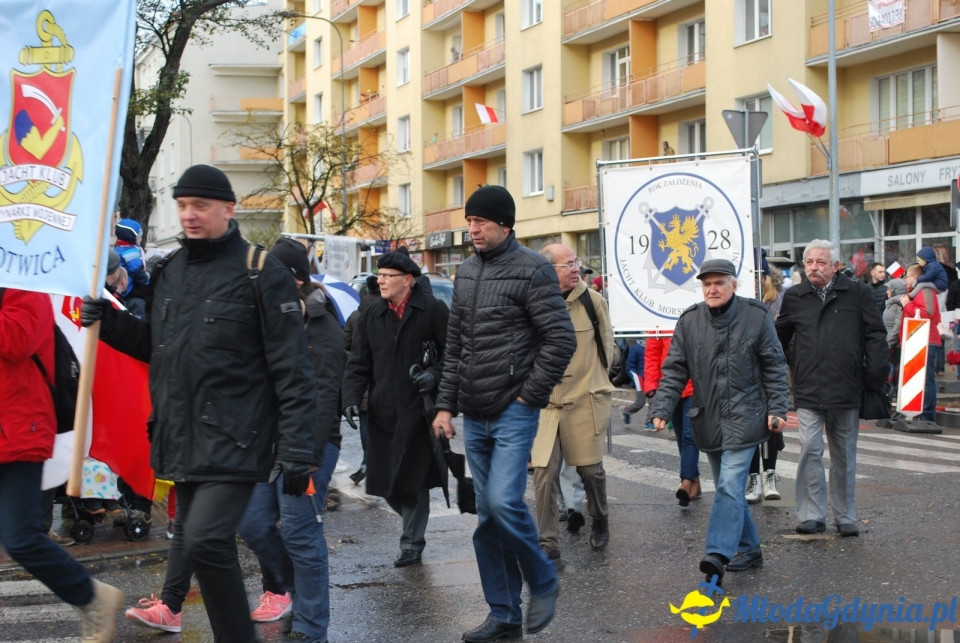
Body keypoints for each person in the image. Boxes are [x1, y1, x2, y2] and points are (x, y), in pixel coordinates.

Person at [81, 164, 318, 642]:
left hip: (238, 437)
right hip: (180, 437)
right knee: (204, 546)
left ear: (228, 210)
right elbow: (157, 345)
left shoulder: (261, 271)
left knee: (206, 539)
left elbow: (292, 368)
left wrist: (297, 448)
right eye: (183, 206)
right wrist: (107, 320)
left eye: (201, 206)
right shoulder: (170, 270)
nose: (189, 215)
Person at [432, 185, 575, 642]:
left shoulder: (533, 270)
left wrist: (528, 396)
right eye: (470, 221)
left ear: (505, 225)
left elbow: (560, 340)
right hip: (473, 413)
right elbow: (456, 345)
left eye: (482, 222)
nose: (472, 229)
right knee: (487, 520)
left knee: (502, 502)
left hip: (513, 410)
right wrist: (444, 404)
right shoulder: (467, 271)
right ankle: (503, 613)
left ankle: (544, 580)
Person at [234, 236, 346, 641]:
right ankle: (296, 592)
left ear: (296, 280)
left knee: (301, 532)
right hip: (267, 443)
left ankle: (312, 627)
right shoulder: (269, 319)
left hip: (310, 446)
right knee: (253, 523)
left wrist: (309, 455)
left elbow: (324, 395)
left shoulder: (323, 326)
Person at [650, 259, 788, 587]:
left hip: (748, 416)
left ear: (734, 285)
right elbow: (674, 370)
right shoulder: (690, 321)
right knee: (730, 491)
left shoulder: (755, 316)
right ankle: (750, 548)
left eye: (719, 283)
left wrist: (778, 408)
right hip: (708, 418)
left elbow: (774, 364)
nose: (712, 289)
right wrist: (662, 408)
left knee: (728, 485)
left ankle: (717, 555)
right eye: (707, 283)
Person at [0, 287, 124, 642]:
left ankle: (90, 596)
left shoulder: (23, 282)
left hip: (19, 430)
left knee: (21, 537)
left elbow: (19, 338)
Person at [342, 247, 449, 567]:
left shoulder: (432, 309)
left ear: (408, 280)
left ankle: (411, 542)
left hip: (419, 411)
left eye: (388, 276)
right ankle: (411, 526)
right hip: (382, 411)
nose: (381, 280)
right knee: (383, 480)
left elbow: (454, 355)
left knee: (414, 479)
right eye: (380, 275)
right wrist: (349, 397)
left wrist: (434, 375)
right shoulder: (371, 315)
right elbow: (358, 363)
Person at [776, 239, 888, 538]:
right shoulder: (795, 297)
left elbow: (876, 334)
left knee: (844, 455)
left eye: (820, 262)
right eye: (809, 261)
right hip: (809, 388)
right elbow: (779, 336)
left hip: (846, 387)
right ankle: (812, 515)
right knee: (810, 451)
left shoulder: (858, 293)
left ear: (835, 266)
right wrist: (795, 362)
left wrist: (875, 375)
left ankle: (845, 516)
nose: (813, 267)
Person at [531, 243, 615, 559]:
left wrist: (600, 384)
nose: (575, 268)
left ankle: (600, 517)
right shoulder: (533, 303)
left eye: (575, 261)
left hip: (584, 399)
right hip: (547, 404)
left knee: (591, 471)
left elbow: (608, 348)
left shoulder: (593, 302)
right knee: (544, 473)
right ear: (548, 271)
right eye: (567, 264)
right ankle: (548, 541)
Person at [645, 334, 700, 506]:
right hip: (671, 387)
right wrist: (651, 385)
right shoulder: (659, 323)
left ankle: (686, 481)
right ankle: (694, 481)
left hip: (694, 387)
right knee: (681, 436)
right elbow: (652, 355)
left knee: (689, 435)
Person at [342, 274, 380, 485]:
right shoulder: (388, 312)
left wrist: (355, 358)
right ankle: (376, 461)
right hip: (383, 378)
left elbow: (345, 345)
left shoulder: (356, 315)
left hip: (363, 379)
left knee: (365, 421)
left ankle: (368, 460)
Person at [900, 263, 941, 422]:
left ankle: (928, 415)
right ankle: (919, 413)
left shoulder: (924, 291)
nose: (905, 280)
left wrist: (907, 305)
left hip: (925, 340)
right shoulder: (917, 292)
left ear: (915, 277)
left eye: (907, 277)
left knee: (926, 379)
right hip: (917, 339)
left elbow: (926, 314)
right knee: (919, 380)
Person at [620, 339, 651, 428]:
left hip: (651, 378)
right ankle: (626, 411)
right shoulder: (636, 348)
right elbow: (630, 366)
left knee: (654, 401)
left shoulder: (652, 346)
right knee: (640, 402)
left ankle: (650, 422)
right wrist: (636, 377)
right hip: (640, 379)